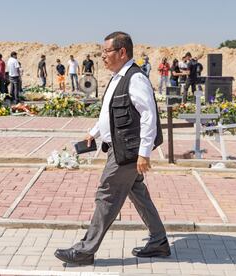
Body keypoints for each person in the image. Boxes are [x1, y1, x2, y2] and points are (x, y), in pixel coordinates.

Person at [54, 31, 169, 266]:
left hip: (126, 151)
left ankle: (85, 250)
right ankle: (158, 241)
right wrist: (94, 132)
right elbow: (111, 111)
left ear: (122, 52)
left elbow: (149, 116)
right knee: (137, 192)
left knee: (107, 193)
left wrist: (144, 153)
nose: (102, 56)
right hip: (120, 146)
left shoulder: (135, 78)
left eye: (106, 51)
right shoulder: (119, 77)